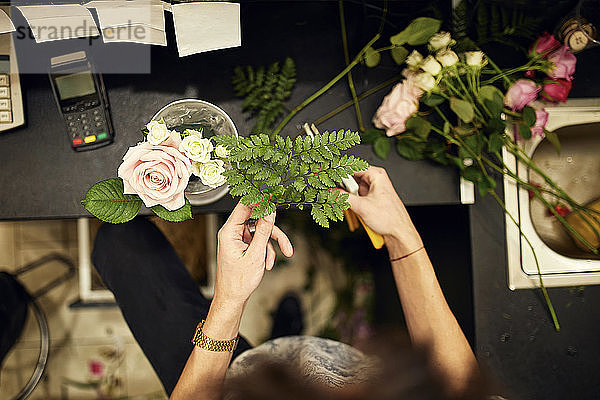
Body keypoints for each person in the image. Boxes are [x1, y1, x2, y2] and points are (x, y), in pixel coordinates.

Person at [92, 166, 480, 400]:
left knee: (118, 242)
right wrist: (400, 237)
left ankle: (277, 344)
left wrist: (228, 304)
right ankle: (286, 331)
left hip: (232, 380)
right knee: (283, 346)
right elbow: (460, 387)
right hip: (307, 362)